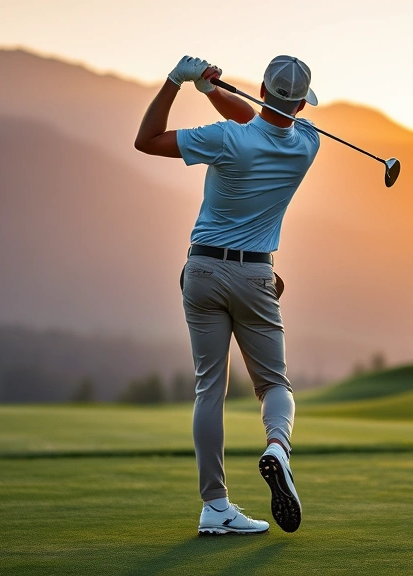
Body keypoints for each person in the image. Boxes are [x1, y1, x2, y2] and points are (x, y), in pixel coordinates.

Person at [134, 54, 320, 535]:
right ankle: (277, 448)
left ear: (260, 87)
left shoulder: (225, 139)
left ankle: (215, 506)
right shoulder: (308, 144)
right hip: (257, 276)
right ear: (302, 104)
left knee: (209, 389)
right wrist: (214, 92)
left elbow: (146, 140)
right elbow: (264, 124)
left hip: (202, 271)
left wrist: (178, 82)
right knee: (274, 385)